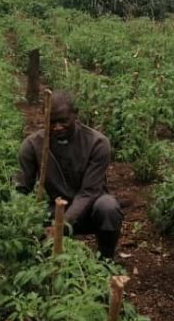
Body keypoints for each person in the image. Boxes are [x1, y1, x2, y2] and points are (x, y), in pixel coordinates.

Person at [14, 91, 123, 260]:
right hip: (54, 208)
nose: (57, 127)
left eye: (63, 121)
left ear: (75, 115)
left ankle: (106, 260)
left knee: (108, 207)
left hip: (90, 209)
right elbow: (21, 190)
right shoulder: (32, 146)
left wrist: (61, 225)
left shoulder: (97, 143)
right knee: (30, 221)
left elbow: (89, 192)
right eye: (52, 122)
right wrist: (27, 219)